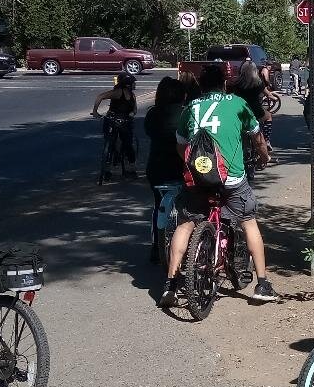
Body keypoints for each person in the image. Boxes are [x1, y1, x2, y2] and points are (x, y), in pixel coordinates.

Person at [159, 62, 278, 306]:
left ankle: (170, 286)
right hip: (231, 179)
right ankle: (262, 284)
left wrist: (193, 164)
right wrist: (265, 156)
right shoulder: (237, 104)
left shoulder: (190, 107)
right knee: (248, 222)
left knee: (185, 224)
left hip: (199, 178)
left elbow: (181, 145)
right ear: (225, 83)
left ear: (201, 86)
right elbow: (258, 139)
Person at [144, 75, 190, 262]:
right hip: (180, 166)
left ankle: (157, 246)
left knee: (158, 205)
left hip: (156, 167)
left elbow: (149, 132)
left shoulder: (152, 114)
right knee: (188, 207)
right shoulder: (186, 114)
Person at [92, 71, 138, 174]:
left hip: (120, 121)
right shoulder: (118, 92)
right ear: (128, 84)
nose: (135, 85)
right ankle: (129, 166)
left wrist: (132, 113)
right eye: (133, 83)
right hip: (115, 121)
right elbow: (100, 96)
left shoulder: (132, 95)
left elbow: (134, 109)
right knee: (124, 144)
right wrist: (95, 111)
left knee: (123, 143)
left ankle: (125, 165)